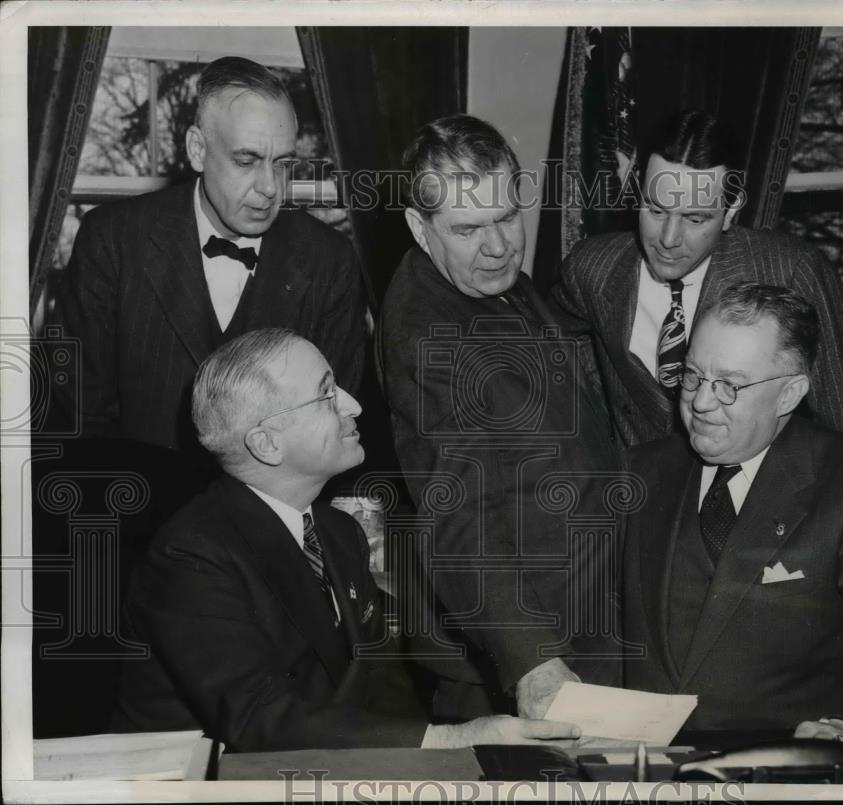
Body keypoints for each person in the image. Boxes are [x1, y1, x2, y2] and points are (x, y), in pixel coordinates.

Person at [113, 328, 581, 752]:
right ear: (267, 444)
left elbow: (380, 683)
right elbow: (260, 719)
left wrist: (435, 757)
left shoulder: (337, 532)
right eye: (326, 394)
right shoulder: (191, 555)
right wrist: (456, 738)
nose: (353, 404)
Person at [622, 283, 843, 742]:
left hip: (782, 764)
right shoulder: (638, 472)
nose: (700, 402)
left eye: (730, 385)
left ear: (789, 395)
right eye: (692, 375)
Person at [379, 114, 625, 721]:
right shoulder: (426, 336)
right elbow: (458, 513)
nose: (498, 246)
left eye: (507, 217)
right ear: (419, 227)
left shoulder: (497, 280)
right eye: (467, 229)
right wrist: (533, 661)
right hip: (524, 656)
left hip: (593, 618)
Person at [51, 57, 366, 454]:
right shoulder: (112, 240)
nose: (270, 187)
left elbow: (332, 427)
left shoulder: (330, 261)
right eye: (246, 161)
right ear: (197, 150)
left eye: (282, 164)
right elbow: (82, 417)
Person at [551, 109, 843, 451]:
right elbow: (555, 359)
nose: (668, 239)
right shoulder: (592, 268)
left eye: (695, 219)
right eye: (655, 210)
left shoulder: (790, 272)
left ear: (730, 211)